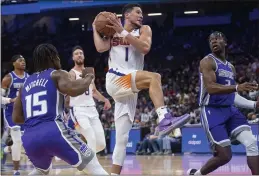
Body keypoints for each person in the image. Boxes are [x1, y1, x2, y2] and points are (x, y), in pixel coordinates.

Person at [93, 3, 190, 174]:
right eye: (138, 12)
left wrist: (122, 32)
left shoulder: (144, 30)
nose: (141, 15)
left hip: (130, 86)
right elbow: (100, 47)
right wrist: (94, 27)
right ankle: (164, 118)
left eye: (142, 13)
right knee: (155, 77)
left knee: (122, 138)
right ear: (127, 15)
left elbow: (144, 47)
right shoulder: (112, 31)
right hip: (116, 79)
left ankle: (114, 173)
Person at [12, 43, 108, 175]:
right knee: (94, 167)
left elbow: (16, 118)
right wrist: (89, 77)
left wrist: (37, 120)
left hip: (30, 138)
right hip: (53, 131)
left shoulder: (25, 84)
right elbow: (74, 89)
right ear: (52, 57)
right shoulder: (56, 74)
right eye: (57, 56)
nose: (58, 59)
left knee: (41, 172)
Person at [187, 31, 259, 175]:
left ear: (225, 43)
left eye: (217, 38)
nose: (214, 41)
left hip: (230, 110)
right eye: (211, 40)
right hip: (211, 111)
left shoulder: (230, 67)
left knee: (251, 143)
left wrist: (254, 105)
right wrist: (237, 87)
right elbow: (212, 88)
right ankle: (197, 174)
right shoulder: (207, 61)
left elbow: (232, 95)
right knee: (225, 156)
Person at [66, 45, 111, 173]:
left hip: (92, 109)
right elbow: (69, 92)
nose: (79, 55)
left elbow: (94, 91)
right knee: (90, 137)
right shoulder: (71, 73)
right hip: (78, 110)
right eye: (76, 54)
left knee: (101, 143)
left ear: (84, 56)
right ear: (73, 58)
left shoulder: (90, 72)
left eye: (81, 53)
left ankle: (81, 157)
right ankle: (95, 169)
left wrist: (105, 99)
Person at [1, 55, 29, 175]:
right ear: (13, 63)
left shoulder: (29, 78)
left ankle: (6, 149)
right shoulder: (8, 78)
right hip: (10, 112)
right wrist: (10, 100)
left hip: (23, 113)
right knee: (17, 140)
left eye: (24, 60)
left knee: (21, 141)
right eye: (20, 60)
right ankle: (16, 170)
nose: (23, 62)